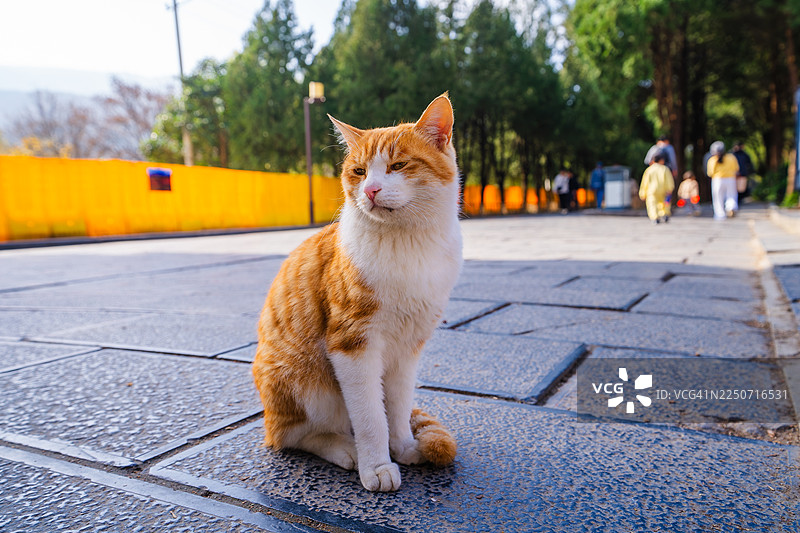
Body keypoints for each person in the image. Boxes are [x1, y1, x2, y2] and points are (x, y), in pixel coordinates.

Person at [706, 140, 740, 219]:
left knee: (718, 197)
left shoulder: (712, 160)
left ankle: (720, 214)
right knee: (731, 195)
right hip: (730, 179)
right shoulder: (731, 157)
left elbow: (710, 173)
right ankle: (731, 207)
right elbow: (736, 169)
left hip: (717, 180)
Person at [639, 151, 675, 224]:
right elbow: (669, 180)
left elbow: (645, 182)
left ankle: (654, 217)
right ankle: (664, 214)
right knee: (665, 203)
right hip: (663, 190)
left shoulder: (649, 170)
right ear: (661, 160)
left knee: (652, 204)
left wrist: (642, 193)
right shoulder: (665, 169)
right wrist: (670, 188)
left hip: (651, 190)